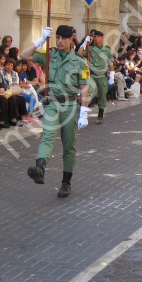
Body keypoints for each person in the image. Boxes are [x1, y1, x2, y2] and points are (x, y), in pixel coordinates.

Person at [20, 25, 90, 198]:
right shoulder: (50, 56)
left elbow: (84, 87)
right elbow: (23, 55)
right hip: (52, 103)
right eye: (57, 37)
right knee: (48, 134)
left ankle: (66, 183)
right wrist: (40, 39)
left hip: (70, 106)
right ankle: (40, 168)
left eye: (63, 38)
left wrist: (84, 111)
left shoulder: (80, 62)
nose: (59, 41)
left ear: (71, 39)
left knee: (69, 146)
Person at [78, 30, 114, 124]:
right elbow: (79, 54)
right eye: (95, 37)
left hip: (102, 75)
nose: (96, 38)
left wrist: (112, 75)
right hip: (91, 75)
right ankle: (82, 113)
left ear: (102, 38)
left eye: (98, 37)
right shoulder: (90, 48)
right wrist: (85, 43)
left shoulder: (106, 50)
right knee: (88, 93)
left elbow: (111, 62)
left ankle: (100, 115)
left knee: (102, 95)